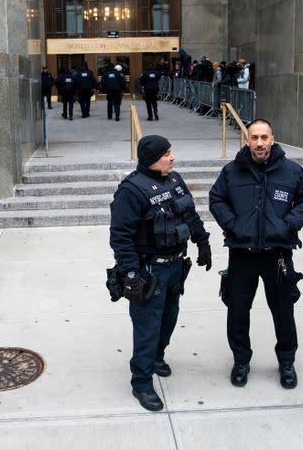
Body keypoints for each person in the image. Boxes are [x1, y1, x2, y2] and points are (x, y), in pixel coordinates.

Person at [208, 118, 303, 389]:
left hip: (277, 255)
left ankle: (286, 361)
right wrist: (234, 225)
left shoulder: (291, 171)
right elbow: (216, 199)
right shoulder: (232, 171)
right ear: (247, 139)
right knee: (237, 310)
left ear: (272, 139)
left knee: (283, 311)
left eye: (264, 137)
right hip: (242, 254)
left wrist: (287, 224)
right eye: (254, 137)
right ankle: (241, 360)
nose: (259, 143)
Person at [109, 135, 213, 411]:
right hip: (149, 269)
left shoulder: (175, 180)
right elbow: (121, 237)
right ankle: (141, 382)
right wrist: (131, 273)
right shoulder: (131, 191)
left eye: (171, 152)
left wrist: (202, 241)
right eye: (167, 153)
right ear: (152, 159)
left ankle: (157, 356)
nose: (173, 157)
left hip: (176, 266)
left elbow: (190, 215)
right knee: (147, 327)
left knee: (169, 318)